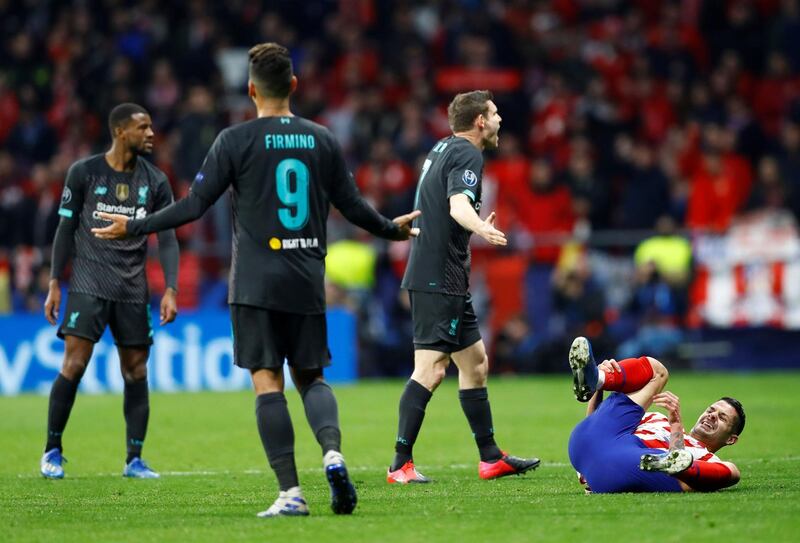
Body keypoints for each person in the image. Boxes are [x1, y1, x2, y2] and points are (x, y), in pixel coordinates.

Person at [92, 43, 419, 517]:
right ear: (293, 85)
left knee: (268, 382)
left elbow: (193, 206)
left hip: (255, 283)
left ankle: (291, 492)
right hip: (307, 276)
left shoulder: (234, 140)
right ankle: (332, 453)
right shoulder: (322, 138)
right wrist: (393, 229)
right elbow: (353, 206)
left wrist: (135, 226)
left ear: (250, 90)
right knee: (312, 378)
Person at [388, 90, 540, 484]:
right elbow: (457, 206)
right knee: (431, 369)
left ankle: (490, 457)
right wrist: (482, 226)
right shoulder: (468, 154)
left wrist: (471, 224)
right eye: (494, 113)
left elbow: (448, 207)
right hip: (438, 275)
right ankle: (399, 464)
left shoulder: (443, 147)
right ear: (479, 122)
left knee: (475, 365)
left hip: (444, 273)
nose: (500, 119)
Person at [41, 103, 179, 480]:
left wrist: (170, 288)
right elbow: (65, 230)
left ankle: (134, 459)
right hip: (88, 283)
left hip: (133, 288)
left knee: (136, 371)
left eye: (151, 127)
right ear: (120, 131)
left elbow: (167, 238)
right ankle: (52, 451)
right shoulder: (84, 172)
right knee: (74, 364)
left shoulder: (156, 181)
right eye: (143, 127)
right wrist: (55, 282)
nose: (151, 133)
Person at [567, 336, 744, 493]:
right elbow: (595, 421)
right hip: (587, 441)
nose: (712, 416)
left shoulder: (707, 458)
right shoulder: (656, 418)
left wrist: (676, 425)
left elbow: (696, 483)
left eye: (722, 418)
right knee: (657, 372)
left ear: (731, 439)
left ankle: (678, 465)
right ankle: (597, 378)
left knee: (732, 471)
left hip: (619, 463)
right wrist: (601, 386)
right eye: (711, 410)